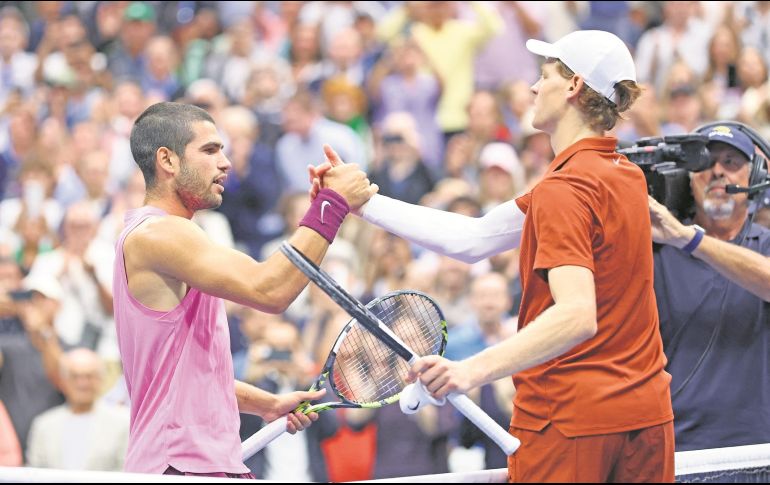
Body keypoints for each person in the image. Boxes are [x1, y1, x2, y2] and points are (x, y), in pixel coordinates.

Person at [311, 30, 674, 482]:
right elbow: (475, 238)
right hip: (645, 415)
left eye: (544, 76)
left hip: (570, 423)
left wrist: (469, 371)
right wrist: (363, 202)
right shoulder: (626, 176)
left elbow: (578, 315)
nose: (534, 88)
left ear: (575, 87)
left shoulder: (562, 191)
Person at [116, 102, 376, 476]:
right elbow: (271, 289)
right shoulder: (161, 233)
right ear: (167, 160)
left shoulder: (166, 235)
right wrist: (330, 206)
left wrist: (266, 404)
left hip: (190, 463)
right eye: (210, 150)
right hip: (183, 465)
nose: (226, 162)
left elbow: (186, 375)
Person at [648, 122, 770, 452]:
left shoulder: (765, 245)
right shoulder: (658, 249)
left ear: (755, 177)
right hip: (677, 448)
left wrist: (688, 239)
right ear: (687, 179)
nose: (717, 171)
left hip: (756, 449)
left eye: (732, 162)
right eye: (704, 163)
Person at [26, 348, 129, 471]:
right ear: (63, 381)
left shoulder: (123, 423)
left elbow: (125, 472)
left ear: (101, 379)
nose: (82, 383)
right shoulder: (43, 425)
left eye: (89, 376)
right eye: (75, 376)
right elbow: (33, 475)